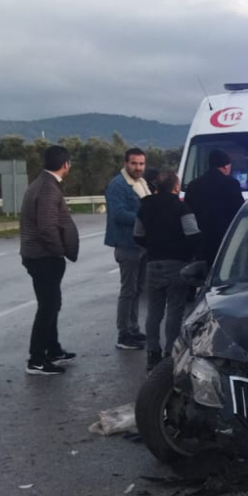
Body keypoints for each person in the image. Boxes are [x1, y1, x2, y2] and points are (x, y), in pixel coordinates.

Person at [19, 145, 80, 375]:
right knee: (48, 306)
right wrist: (58, 251)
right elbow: (47, 227)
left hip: (38, 256)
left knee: (53, 303)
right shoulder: (48, 189)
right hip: (43, 257)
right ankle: (36, 359)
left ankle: (52, 349)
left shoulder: (41, 183)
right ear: (66, 164)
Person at [135, 171, 202, 371]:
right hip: (177, 264)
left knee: (154, 311)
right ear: (175, 187)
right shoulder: (181, 207)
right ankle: (170, 353)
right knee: (175, 310)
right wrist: (190, 254)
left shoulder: (144, 207)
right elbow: (193, 234)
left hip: (153, 263)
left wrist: (152, 247)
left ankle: (152, 353)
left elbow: (137, 235)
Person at [104, 147, 149, 350]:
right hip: (126, 244)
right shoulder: (118, 186)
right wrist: (145, 218)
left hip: (140, 245)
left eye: (141, 164)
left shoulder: (141, 184)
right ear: (125, 164)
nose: (138, 167)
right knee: (128, 291)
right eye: (134, 163)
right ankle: (123, 334)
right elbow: (119, 214)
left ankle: (133, 328)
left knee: (137, 289)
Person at [184, 149, 244, 266]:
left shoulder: (193, 185)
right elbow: (239, 211)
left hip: (203, 240)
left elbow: (188, 212)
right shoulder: (231, 183)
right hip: (226, 238)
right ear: (226, 167)